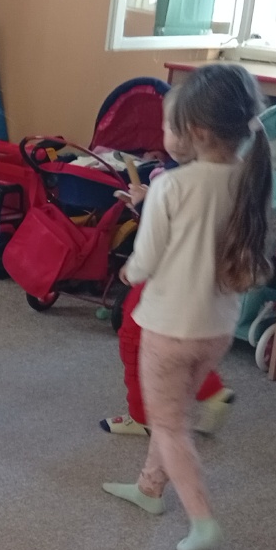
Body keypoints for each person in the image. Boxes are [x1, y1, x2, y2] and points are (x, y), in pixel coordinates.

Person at [101, 63, 272, 550]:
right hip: (216, 329)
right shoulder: (248, 179)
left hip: (168, 328)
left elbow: (147, 257)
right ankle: (150, 488)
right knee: (173, 410)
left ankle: (202, 520)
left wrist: (129, 272)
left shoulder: (171, 186)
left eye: (170, 123)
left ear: (195, 131)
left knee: (169, 425)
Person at [101, 178, 237, 437]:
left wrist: (148, 206)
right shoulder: (215, 184)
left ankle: (141, 419)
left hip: (160, 286)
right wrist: (146, 202)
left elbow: (165, 233)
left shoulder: (187, 180)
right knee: (178, 352)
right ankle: (212, 391)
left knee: (135, 348)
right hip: (191, 289)